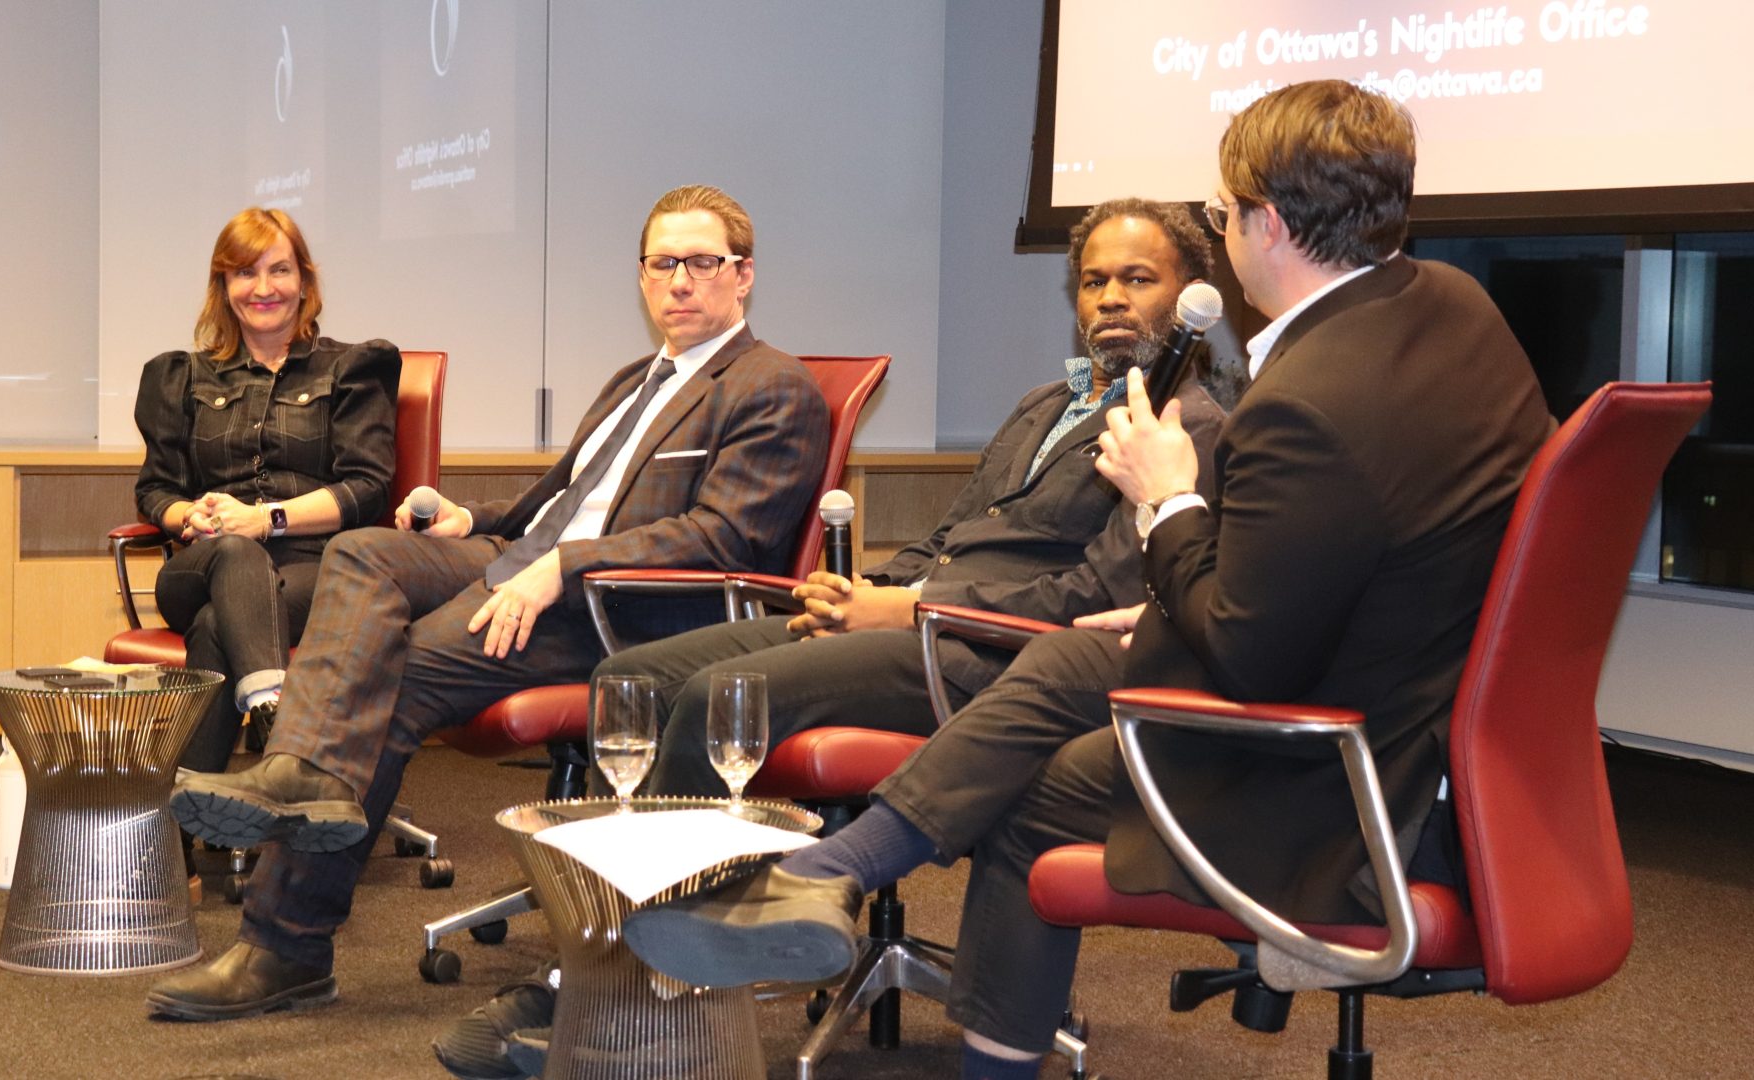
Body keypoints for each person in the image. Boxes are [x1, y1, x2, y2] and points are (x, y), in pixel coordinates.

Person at [623, 80, 1554, 1080]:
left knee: (1036, 797)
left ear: (1267, 224)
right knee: (1081, 655)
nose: (1224, 230)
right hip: (1395, 695)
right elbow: (1328, 553)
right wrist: (1172, 579)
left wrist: (1167, 504)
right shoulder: (1453, 308)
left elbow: (1247, 649)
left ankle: (888, 934)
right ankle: (841, 870)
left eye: (1223, 212)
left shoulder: (1306, 404)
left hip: (1329, 770)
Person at [436, 198, 1229, 1080]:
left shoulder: (1188, 427)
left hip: (989, 654)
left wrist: (909, 607)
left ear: (1187, 293)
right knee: (638, 677)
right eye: (1093, 281)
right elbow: (953, 530)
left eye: (1136, 279)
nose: (1110, 298)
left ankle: (618, 988)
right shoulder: (1048, 401)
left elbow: (1096, 598)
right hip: (915, 616)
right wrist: (868, 590)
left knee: (718, 701)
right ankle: (628, 956)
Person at [147, 184, 830, 1024]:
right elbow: (563, 498)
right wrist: (475, 520)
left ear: (743, 275)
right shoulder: (634, 379)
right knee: (362, 550)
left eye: (702, 262)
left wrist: (563, 569)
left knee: (386, 675)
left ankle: (282, 945)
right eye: (662, 263)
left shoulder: (772, 385)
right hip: (523, 565)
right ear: (642, 275)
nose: (680, 280)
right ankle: (300, 773)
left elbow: (724, 538)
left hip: (621, 614)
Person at [133, 207, 398, 775]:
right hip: (203, 562)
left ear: (304, 280)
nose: (263, 288)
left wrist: (266, 519)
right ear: (223, 286)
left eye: (278, 270)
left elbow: (367, 489)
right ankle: (279, 727)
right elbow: (156, 490)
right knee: (233, 554)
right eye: (244, 273)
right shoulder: (182, 377)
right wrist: (191, 516)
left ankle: (185, 819)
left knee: (214, 626)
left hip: (314, 567)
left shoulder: (350, 368)